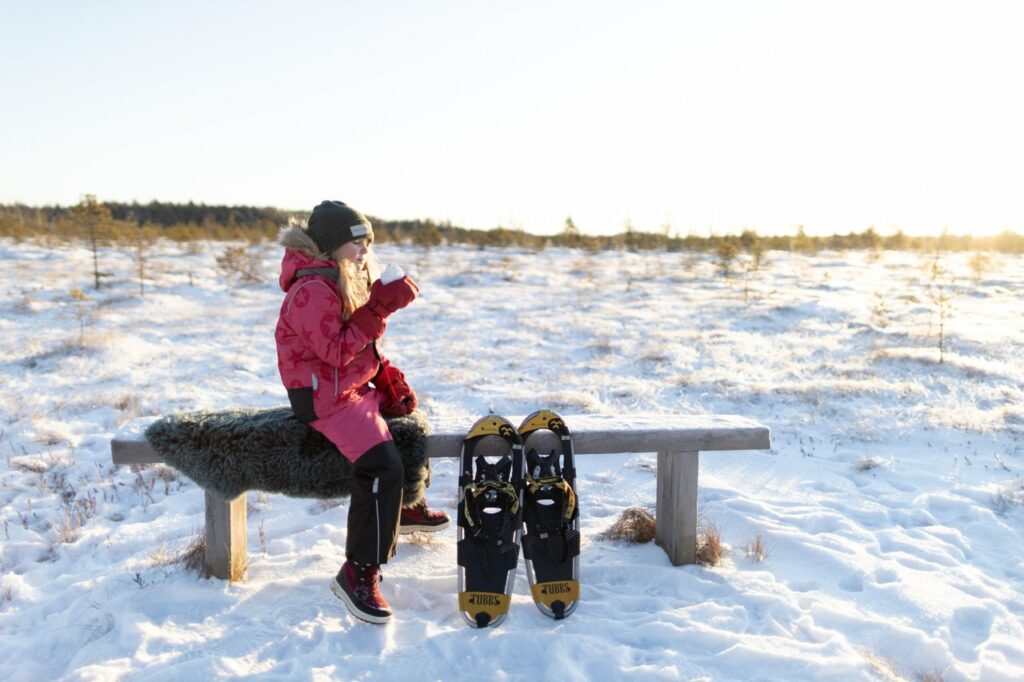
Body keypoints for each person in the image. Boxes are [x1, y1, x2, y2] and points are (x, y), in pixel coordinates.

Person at [274, 200, 449, 624]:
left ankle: (402, 508)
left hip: (349, 386)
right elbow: (334, 350)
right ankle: (358, 572)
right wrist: (381, 308)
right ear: (333, 245)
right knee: (381, 466)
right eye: (357, 244)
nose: (364, 254)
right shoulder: (311, 290)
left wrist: (383, 372)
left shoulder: (340, 276)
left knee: (407, 425)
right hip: (324, 399)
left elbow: (354, 344)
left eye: (368, 244)